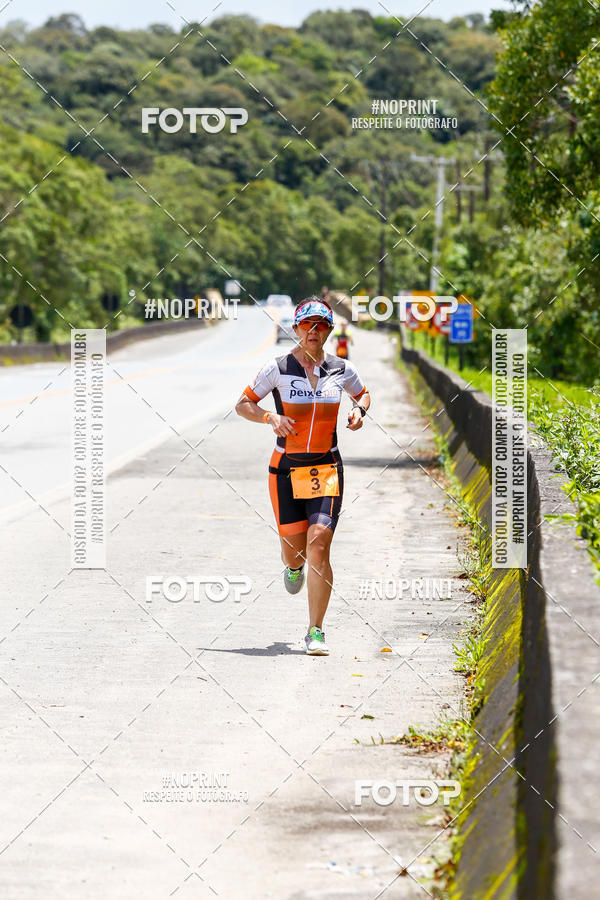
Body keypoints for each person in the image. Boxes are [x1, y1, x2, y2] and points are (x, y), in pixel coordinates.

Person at [235, 297, 371, 655]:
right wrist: (270, 417)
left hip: (326, 467)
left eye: (321, 325)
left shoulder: (341, 368)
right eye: (307, 325)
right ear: (295, 329)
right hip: (285, 469)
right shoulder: (276, 368)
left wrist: (359, 411)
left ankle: (315, 630)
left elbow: (364, 394)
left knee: (320, 544)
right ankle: (293, 567)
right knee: (295, 552)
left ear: (329, 330)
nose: (314, 331)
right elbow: (243, 404)